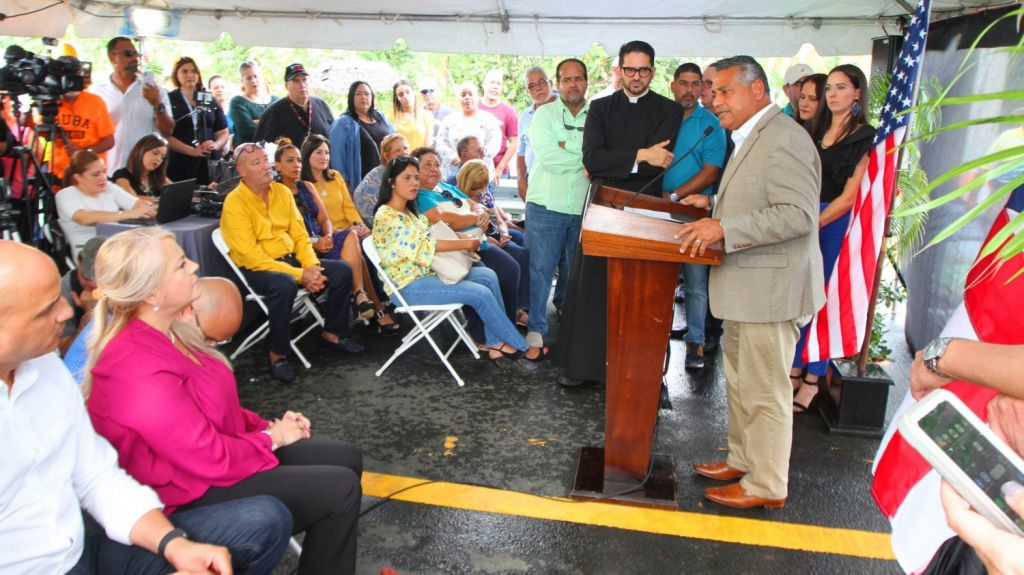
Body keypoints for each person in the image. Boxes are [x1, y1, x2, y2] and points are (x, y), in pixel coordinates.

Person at [0, 240, 292, 575]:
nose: (67, 312)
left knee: (264, 520)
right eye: (45, 309)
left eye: (58, 297)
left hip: (78, 555)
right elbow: (204, 452)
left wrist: (173, 545)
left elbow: (97, 478)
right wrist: (270, 439)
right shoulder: (131, 356)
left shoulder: (46, 368)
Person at [83, 228, 363, 575]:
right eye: (181, 264)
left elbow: (215, 409)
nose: (194, 265)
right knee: (339, 489)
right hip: (180, 494)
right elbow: (207, 456)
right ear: (151, 293)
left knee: (345, 458)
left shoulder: (170, 330)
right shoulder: (135, 365)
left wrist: (269, 427)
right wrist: (272, 439)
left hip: (203, 466)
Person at [676, 55, 822, 509]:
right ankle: (743, 460)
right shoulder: (752, 134)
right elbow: (759, 197)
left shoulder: (784, 138)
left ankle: (767, 484)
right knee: (742, 387)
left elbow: (797, 215)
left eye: (724, 91)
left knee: (765, 393)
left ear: (757, 89)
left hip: (771, 291)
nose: (714, 100)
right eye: (712, 91)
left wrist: (724, 227)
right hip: (747, 289)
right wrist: (713, 204)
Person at [560, 40, 682, 385]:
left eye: (643, 70)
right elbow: (591, 159)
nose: (636, 77)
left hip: (646, 210)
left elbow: (658, 165)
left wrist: (620, 161)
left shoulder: (668, 110)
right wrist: (641, 154)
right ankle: (584, 368)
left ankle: (637, 373)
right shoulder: (600, 108)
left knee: (639, 291)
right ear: (620, 70)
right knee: (593, 288)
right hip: (603, 205)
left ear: (653, 72)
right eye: (630, 70)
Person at [220, 142, 363, 383]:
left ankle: (333, 333)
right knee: (284, 285)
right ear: (241, 171)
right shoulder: (235, 203)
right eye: (256, 163)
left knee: (342, 271)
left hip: (292, 260)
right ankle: (278, 354)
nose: (265, 166)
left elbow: (300, 237)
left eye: (265, 160)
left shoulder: (282, 192)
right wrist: (300, 275)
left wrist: (312, 267)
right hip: (260, 268)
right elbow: (252, 257)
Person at [371, 156, 528, 363]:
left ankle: (495, 342)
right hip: (408, 286)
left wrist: (463, 238)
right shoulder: (387, 215)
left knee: (488, 276)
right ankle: (520, 346)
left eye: (416, 178)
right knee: (480, 294)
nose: (414, 183)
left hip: (428, 274)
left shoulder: (409, 211)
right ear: (391, 182)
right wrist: (465, 243)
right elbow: (424, 247)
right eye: (407, 178)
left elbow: (432, 234)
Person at [791, 65, 874, 413]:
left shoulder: (865, 136)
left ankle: (813, 380)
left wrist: (814, 224)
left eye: (841, 87)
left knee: (821, 301)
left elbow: (849, 197)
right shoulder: (815, 129)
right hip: (805, 215)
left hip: (833, 222)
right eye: (830, 88)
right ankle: (795, 369)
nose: (833, 94)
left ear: (857, 93)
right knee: (799, 299)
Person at [413, 146, 540, 360]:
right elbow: (445, 220)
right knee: (485, 279)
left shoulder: (444, 187)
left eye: (437, 164)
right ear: (415, 170)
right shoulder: (420, 196)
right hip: (457, 250)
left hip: (478, 241)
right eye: (427, 165)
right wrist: (475, 217)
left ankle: (506, 325)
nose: (434, 169)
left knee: (511, 269)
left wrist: (480, 213)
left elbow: (475, 204)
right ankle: (484, 335)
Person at [276, 136, 399, 335]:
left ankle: (372, 297)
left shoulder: (325, 180)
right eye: (318, 152)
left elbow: (339, 212)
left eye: (327, 152)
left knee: (363, 240)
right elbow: (292, 231)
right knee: (358, 254)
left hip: (335, 234)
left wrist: (356, 226)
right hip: (310, 245)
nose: (324, 157)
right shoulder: (280, 192)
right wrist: (323, 239)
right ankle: (373, 304)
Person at [662, 62, 728, 370]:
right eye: (683, 83)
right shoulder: (660, 117)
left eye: (695, 84)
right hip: (655, 211)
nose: (689, 90)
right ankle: (655, 339)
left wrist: (675, 196)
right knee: (659, 282)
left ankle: (696, 344)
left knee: (696, 283)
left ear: (702, 87)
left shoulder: (712, 124)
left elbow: (711, 171)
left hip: (694, 214)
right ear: (673, 85)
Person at [522, 58, 589, 356]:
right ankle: (536, 329)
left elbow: (602, 154)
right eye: (567, 79)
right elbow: (548, 158)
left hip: (582, 207)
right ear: (558, 84)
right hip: (545, 205)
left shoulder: (597, 116)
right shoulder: (543, 115)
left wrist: (568, 149)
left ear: (586, 82)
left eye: (578, 78)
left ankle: (570, 323)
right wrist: (587, 159)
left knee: (575, 272)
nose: (573, 84)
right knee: (541, 270)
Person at [457, 159, 531, 329]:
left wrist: (504, 233)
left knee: (519, 240)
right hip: (478, 242)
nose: (480, 192)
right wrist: (489, 239)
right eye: (475, 187)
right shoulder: (457, 199)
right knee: (520, 255)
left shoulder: (485, 195)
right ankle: (517, 309)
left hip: (494, 235)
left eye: (483, 186)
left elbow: (499, 221)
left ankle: (522, 305)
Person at [93, 37, 174, 176]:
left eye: (136, 54)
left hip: (141, 172)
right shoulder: (97, 92)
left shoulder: (155, 90)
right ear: (112, 57)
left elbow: (167, 131)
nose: (135, 58)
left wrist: (157, 104)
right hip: (107, 172)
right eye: (128, 54)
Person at [55, 150, 156, 258]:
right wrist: (129, 214)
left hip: (116, 245)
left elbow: (136, 203)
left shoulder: (108, 187)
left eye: (104, 171)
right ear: (78, 177)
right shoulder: (66, 194)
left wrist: (150, 209)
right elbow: (85, 218)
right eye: (96, 174)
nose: (103, 177)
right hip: (89, 252)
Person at [166, 57, 231, 185]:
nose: (190, 75)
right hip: (181, 163)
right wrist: (192, 151)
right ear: (176, 75)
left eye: (193, 71)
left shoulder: (208, 98)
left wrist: (216, 145)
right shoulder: (169, 99)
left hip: (209, 162)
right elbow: (166, 135)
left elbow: (223, 131)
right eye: (184, 71)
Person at [328, 81, 395, 189]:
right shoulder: (343, 124)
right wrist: (345, 187)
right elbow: (336, 159)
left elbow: (396, 141)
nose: (363, 97)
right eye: (358, 94)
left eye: (367, 93)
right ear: (351, 97)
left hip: (388, 181)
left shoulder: (381, 117)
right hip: (363, 186)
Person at [254, 63, 333, 148]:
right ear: (286, 86)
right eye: (296, 81)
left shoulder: (321, 105)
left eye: (304, 79)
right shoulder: (273, 112)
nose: (302, 85)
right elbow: (260, 146)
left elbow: (333, 135)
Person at [435, 82, 502, 180]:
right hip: (454, 175)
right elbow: (441, 144)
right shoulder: (449, 119)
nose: (467, 97)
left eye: (470, 94)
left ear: (478, 97)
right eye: (463, 95)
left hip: (481, 174)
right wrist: (456, 159)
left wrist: (474, 160)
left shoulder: (488, 119)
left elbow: (494, 144)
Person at [51, 85, 115, 181]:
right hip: (60, 175)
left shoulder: (95, 102)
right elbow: (42, 134)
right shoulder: (50, 103)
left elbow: (109, 141)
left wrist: (83, 152)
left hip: (91, 176)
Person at [516, 66, 556, 202]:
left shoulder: (566, 110)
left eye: (542, 82)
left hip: (559, 184)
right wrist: (521, 181)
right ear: (528, 92)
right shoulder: (525, 116)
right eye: (532, 86)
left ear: (550, 83)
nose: (538, 88)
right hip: (532, 184)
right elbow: (521, 153)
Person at [59, 235, 105, 351]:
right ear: (78, 264)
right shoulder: (66, 289)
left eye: (102, 279)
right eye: (86, 277)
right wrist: (87, 318)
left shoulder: (125, 284)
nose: (93, 284)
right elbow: (65, 351)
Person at [354, 133, 410, 227]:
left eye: (405, 148)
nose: (404, 152)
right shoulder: (380, 177)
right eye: (397, 150)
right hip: (376, 225)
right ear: (386, 156)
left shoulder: (399, 172)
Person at [477, 69, 519, 180]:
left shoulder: (508, 111)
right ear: (484, 85)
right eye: (492, 82)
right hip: (475, 170)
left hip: (499, 173)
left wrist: (500, 168)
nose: (495, 87)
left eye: (498, 84)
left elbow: (514, 142)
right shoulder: (474, 107)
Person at [230, 60, 278, 145]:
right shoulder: (238, 102)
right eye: (249, 78)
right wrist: (273, 124)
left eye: (256, 76)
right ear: (242, 81)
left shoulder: (276, 100)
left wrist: (259, 122)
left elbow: (285, 125)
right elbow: (247, 131)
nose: (253, 80)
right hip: (249, 150)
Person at [112, 133, 172, 199]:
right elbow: (131, 199)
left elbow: (177, 193)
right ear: (141, 151)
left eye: (162, 157)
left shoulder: (160, 177)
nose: (158, 159)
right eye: (155, 153)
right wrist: (157, 201)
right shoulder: (121, 175)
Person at [388, 79, 431, 149]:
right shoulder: (390, 115)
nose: (405, 96)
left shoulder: (426, 115)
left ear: (414, 92)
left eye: (408, 92)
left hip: (420, 155)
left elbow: (427, 146)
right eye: (401, 94)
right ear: (397, 98)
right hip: (399, 155)